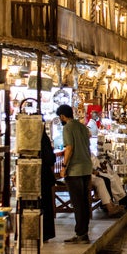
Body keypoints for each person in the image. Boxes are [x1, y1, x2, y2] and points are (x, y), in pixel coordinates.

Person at [57, 104, 93, 244]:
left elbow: (69, 148)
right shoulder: (83, 127)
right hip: (86, 168)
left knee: (77, 203)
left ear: (62, 116)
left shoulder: (68, 128)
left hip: (75, 170)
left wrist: (64, 167)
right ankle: (84, 232)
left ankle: (80, 234)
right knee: (84, 202)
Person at [40, 123, 57, 242]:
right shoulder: (44, 140)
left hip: (33, 177)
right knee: (45, 205)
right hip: (44, 177)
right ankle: (45, 233)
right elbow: (50, 158)